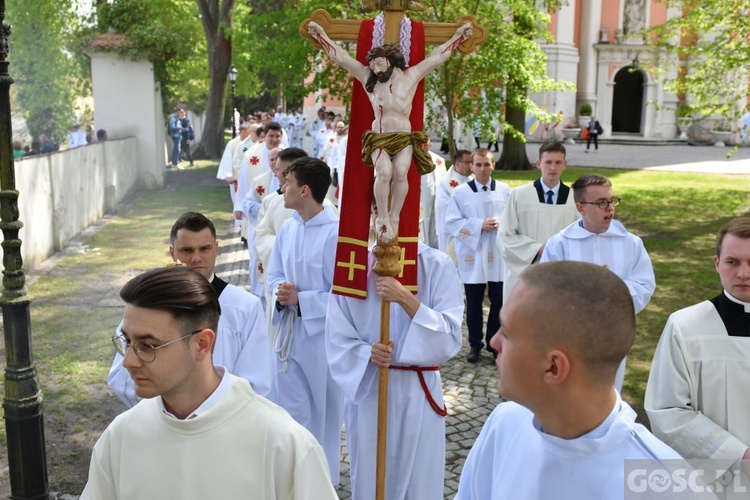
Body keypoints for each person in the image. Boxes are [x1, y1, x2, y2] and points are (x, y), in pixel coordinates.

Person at [83, 266, 337, 500]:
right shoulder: (121, 437)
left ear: (202, 344)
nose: (128, 361)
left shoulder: (283, 443)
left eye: (147, 346)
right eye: (127, 341)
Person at [455, 262, 681, 499]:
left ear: (553, 367)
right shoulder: (504, 424)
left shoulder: (666, 487)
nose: (494, 342)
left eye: (507, 332)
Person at [325, 225, 464, 500]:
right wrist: (366, 353)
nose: (386, 220)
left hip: (418, 389)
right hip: (371, 389)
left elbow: (450, 336)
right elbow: (337, 334)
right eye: (378, 211)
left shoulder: (436, 264)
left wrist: (404, 298)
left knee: (419, 479)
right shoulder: (352, 268)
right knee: (371, 476)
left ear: (417, 212)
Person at [307, 21, 473, 242]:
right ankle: (382, 217)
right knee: (384, 172)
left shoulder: (410, 76)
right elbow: (343, 59)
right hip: (380, 137)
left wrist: (458, 37)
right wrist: (322, 37)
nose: (375, 68)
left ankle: (394, 216)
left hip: (404, 137)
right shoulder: (370, 79)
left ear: (391, 60)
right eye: (373, 64)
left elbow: (437, 58)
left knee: (402, 172)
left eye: (379, 63)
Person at [107, 212, 273, 405]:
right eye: (187, 250)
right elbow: (121, 376)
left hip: (225, 421)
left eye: (204, 249)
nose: (196, 258)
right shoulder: (149, 305)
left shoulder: (245, 307)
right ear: (172, 252)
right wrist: (170, 403)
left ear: (216, 249)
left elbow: (257, 382)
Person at [645, 217, 750, 484]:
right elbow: (667, 410)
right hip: (716, 482)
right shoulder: (685, 327)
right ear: (717, 263)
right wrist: (739, 456)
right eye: (732, 262)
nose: (743, 273)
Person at [267, 157, 343, 484]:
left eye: (288, 182)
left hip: (322, 340)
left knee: (322, 413)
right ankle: (293, 478)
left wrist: (303, 300)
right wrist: (279, 291)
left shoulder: (336, 235)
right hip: (289, 334)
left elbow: (345, 297)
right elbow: (274, 274)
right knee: (290, 410)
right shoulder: (288, 227)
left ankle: (321, 481)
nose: (282, 188)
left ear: (305, 190)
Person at [541, 173, 655, 390]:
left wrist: (609, 289)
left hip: (612, 333)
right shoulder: (560, 244)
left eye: (612, 200)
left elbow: (644, 285)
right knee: (571, 392)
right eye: (601, 203)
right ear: (581, 208)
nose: (610, 208)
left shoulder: (631, 244)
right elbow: (547, 290)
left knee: (608, 391)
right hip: (571, 335)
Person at [445, 148, 510, 363]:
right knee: (473, 302)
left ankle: (494, 344)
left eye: (487, 164)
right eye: (478, 164)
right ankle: (475, 344)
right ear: (471, 166)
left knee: (498, 301)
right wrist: (479, 225)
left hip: (497, 254)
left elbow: (512, 219)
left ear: (494, 166)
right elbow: (452, 222)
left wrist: (501, 224)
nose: (482, 169)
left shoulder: (505, 190)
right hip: (473, 254)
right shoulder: (460, 193)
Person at [499, 141, 579, 302]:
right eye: (548, 162)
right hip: (526, 271)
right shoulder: (520, 195)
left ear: (565, 165)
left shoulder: (574, 199)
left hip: (560, 273)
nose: (552, 168)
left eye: (558, 162)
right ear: (538, 164)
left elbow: (580, 236)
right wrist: (538, 249)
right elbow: (505, 235)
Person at [435, 149, 473, 260]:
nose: (471, 165)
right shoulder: (445, 183)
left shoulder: (472, 180)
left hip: (469, 228)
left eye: (472, 162)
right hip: (451, 230)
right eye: (468, 162)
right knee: (450, 259)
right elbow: (444, 206)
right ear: (457, 164)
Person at [216, 122, 252, 219]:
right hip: (236, 177)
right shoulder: (233, 143)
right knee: (237, 200)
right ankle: (239, 223)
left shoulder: (252, 143)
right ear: (241, 132)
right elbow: (228, 160)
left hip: (249, 177)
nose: (248, 135)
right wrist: (228, 174)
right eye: (247, 132)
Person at [419, 138, 447, 248]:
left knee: (435, 222)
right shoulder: (413, 159)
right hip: (422, 197)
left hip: (437, 196)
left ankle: (435, 246)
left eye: (426, 145)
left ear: (430, 145)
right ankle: (423, 245)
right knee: (423, 221)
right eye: (422, 145)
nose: (425, 147)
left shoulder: (439, 160)